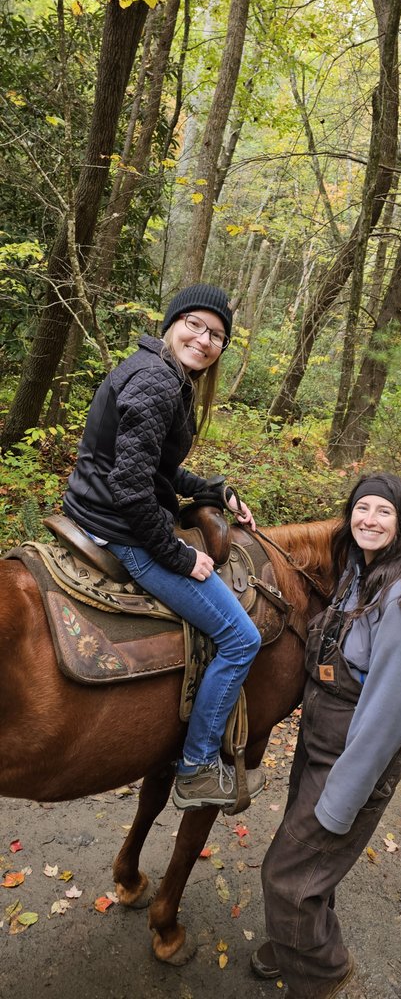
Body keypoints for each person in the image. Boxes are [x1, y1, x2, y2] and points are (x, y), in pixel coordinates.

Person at [63, 283, 264, 811]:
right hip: (122, 528)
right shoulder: (158, 380)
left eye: (216, 335)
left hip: (94, 508)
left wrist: (215, 491)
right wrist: (179, 556)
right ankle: (196, 767)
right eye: (195, 324)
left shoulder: (159, 371)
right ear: (173, 323)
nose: (204, 339)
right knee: (241, 638)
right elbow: (133, 488)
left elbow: (154, 467)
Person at [251, 472, 401, 999]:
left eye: (384, 511)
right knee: (312, 865)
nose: (370, 519)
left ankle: (325, 977)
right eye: (362, 507)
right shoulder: (359, 573)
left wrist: (343, 798)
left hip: (355, 754)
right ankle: (294, 940)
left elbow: (387, 718)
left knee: (288, 878)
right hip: (321, 740)